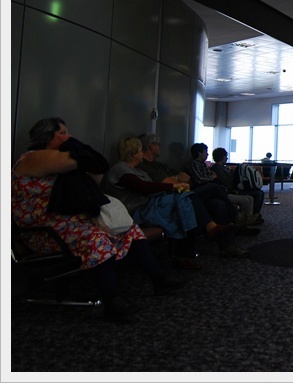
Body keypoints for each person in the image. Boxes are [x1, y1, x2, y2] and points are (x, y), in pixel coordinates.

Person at [12, 118, 183, 321]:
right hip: (44, 231)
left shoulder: (63, 163)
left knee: (129, 229)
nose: (70, 137)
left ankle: (159, 279)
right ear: (46, 137)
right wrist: (77, 148)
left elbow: (96, 170)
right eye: (63, 133)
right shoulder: (32, 159)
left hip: (71, 225)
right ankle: (112, 302)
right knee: (96, 238)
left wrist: (79, 152)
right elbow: (90, 162)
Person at [107, 138, 249, 263]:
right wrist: (175, 184)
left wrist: (177, 182)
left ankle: (227, 245)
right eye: (140, 151)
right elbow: (144, 187)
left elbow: (183, 179)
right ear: (134, 153)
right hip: (142, 208)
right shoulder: (123, 169)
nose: (142, 153)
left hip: (159, 200)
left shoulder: (144, 169)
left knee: (216, 204)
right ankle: (191, 250)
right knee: (191, 199)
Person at [188, 143, 259, 232]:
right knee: (216, 187)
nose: (207, 154)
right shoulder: (194, 164)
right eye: (205, 152)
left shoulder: (203, 164)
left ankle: (245, 220)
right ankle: (239, 218)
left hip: (211, 189)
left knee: (248, 197)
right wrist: (212, 178)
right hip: (204, 189)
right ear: (199, 153)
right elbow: (200, 179)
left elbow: (209, 177)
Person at [211, 147, 265, 224]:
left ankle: (253, 216)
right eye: (225, 156)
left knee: (259, 193)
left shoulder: (223, 167)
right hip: (230, 191)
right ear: (222, 157)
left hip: (233, 188)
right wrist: (233, 173)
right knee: (258, 194)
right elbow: (226, 182)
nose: (227, 158)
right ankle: (253, 217)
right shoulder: (217, 168)